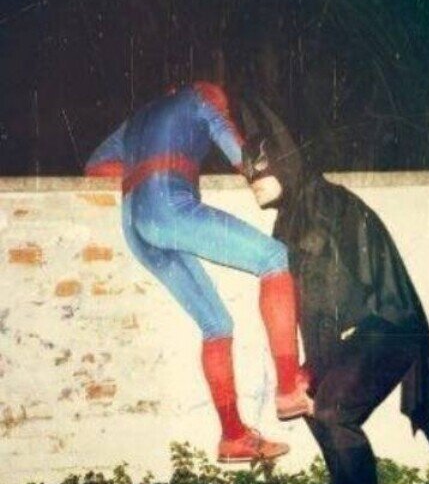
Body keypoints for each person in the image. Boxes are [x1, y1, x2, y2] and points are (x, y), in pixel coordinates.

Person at [241, 99, 429, 484]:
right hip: (360, 330)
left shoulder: (321, 204)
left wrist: (314, 370)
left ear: (285, 162)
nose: (252, 181)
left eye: (261, 168)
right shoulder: (293, 212)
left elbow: (332, 294)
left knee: (331, 410)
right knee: (318, 408)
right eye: (247, 173)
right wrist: (309, 372)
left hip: (388, 325)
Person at [85, 81, 312, 463]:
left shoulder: (137, 121)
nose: (222, 107)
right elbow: (242, 157)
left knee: (216, 325)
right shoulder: (199, 99)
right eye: (222, 103)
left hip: (135, 225)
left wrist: (147, 167)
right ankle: (289, 388)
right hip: (168, 208)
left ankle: (233, 437)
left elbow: (95, 167)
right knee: (274, 259)